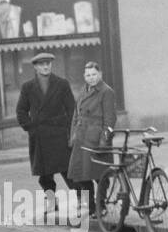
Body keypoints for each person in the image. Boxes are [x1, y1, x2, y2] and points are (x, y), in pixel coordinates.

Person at [16, 52, 76, 216]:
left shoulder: (62, 84)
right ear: (35, 67)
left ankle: (82, 203)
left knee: (69, 172)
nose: (45, 66)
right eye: (41, 64)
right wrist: (31, 128)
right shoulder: (28, 87)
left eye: (48, 63)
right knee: (45, 175)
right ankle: (51, 203)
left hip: (60, 134)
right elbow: (21, 111)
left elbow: (72, 110)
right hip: (40, 136)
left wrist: (72, 132)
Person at [68, 61, 118, 216]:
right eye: (88, 75)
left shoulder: (106, 92)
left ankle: (100, 206)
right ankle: (90, 206)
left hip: (96, 139)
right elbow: (76, 115)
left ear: (100, 74)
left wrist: (105, 138)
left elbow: (110, 118)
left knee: (100, 175)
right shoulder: (83, 91)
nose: (91, 78)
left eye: (94, 74)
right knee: (81, 175)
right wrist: (73, 135)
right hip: (82, 138)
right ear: (84, 76)